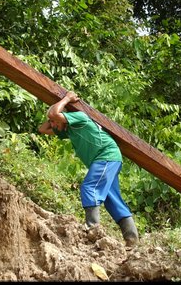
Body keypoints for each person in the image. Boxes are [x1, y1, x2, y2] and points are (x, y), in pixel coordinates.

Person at [38, 91, 139, 247]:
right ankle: (132, 239)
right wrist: (52, 119)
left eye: (54, 121)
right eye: (52, 122)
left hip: (106, 156)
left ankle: (92, 228)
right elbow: (42, 129)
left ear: (64, 116)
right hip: (108, 159)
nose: (52, 124)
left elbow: (54, 113)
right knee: (112, 200)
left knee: (89, 187)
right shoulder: (69, 130)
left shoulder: (80, 118)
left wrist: (66, 99)